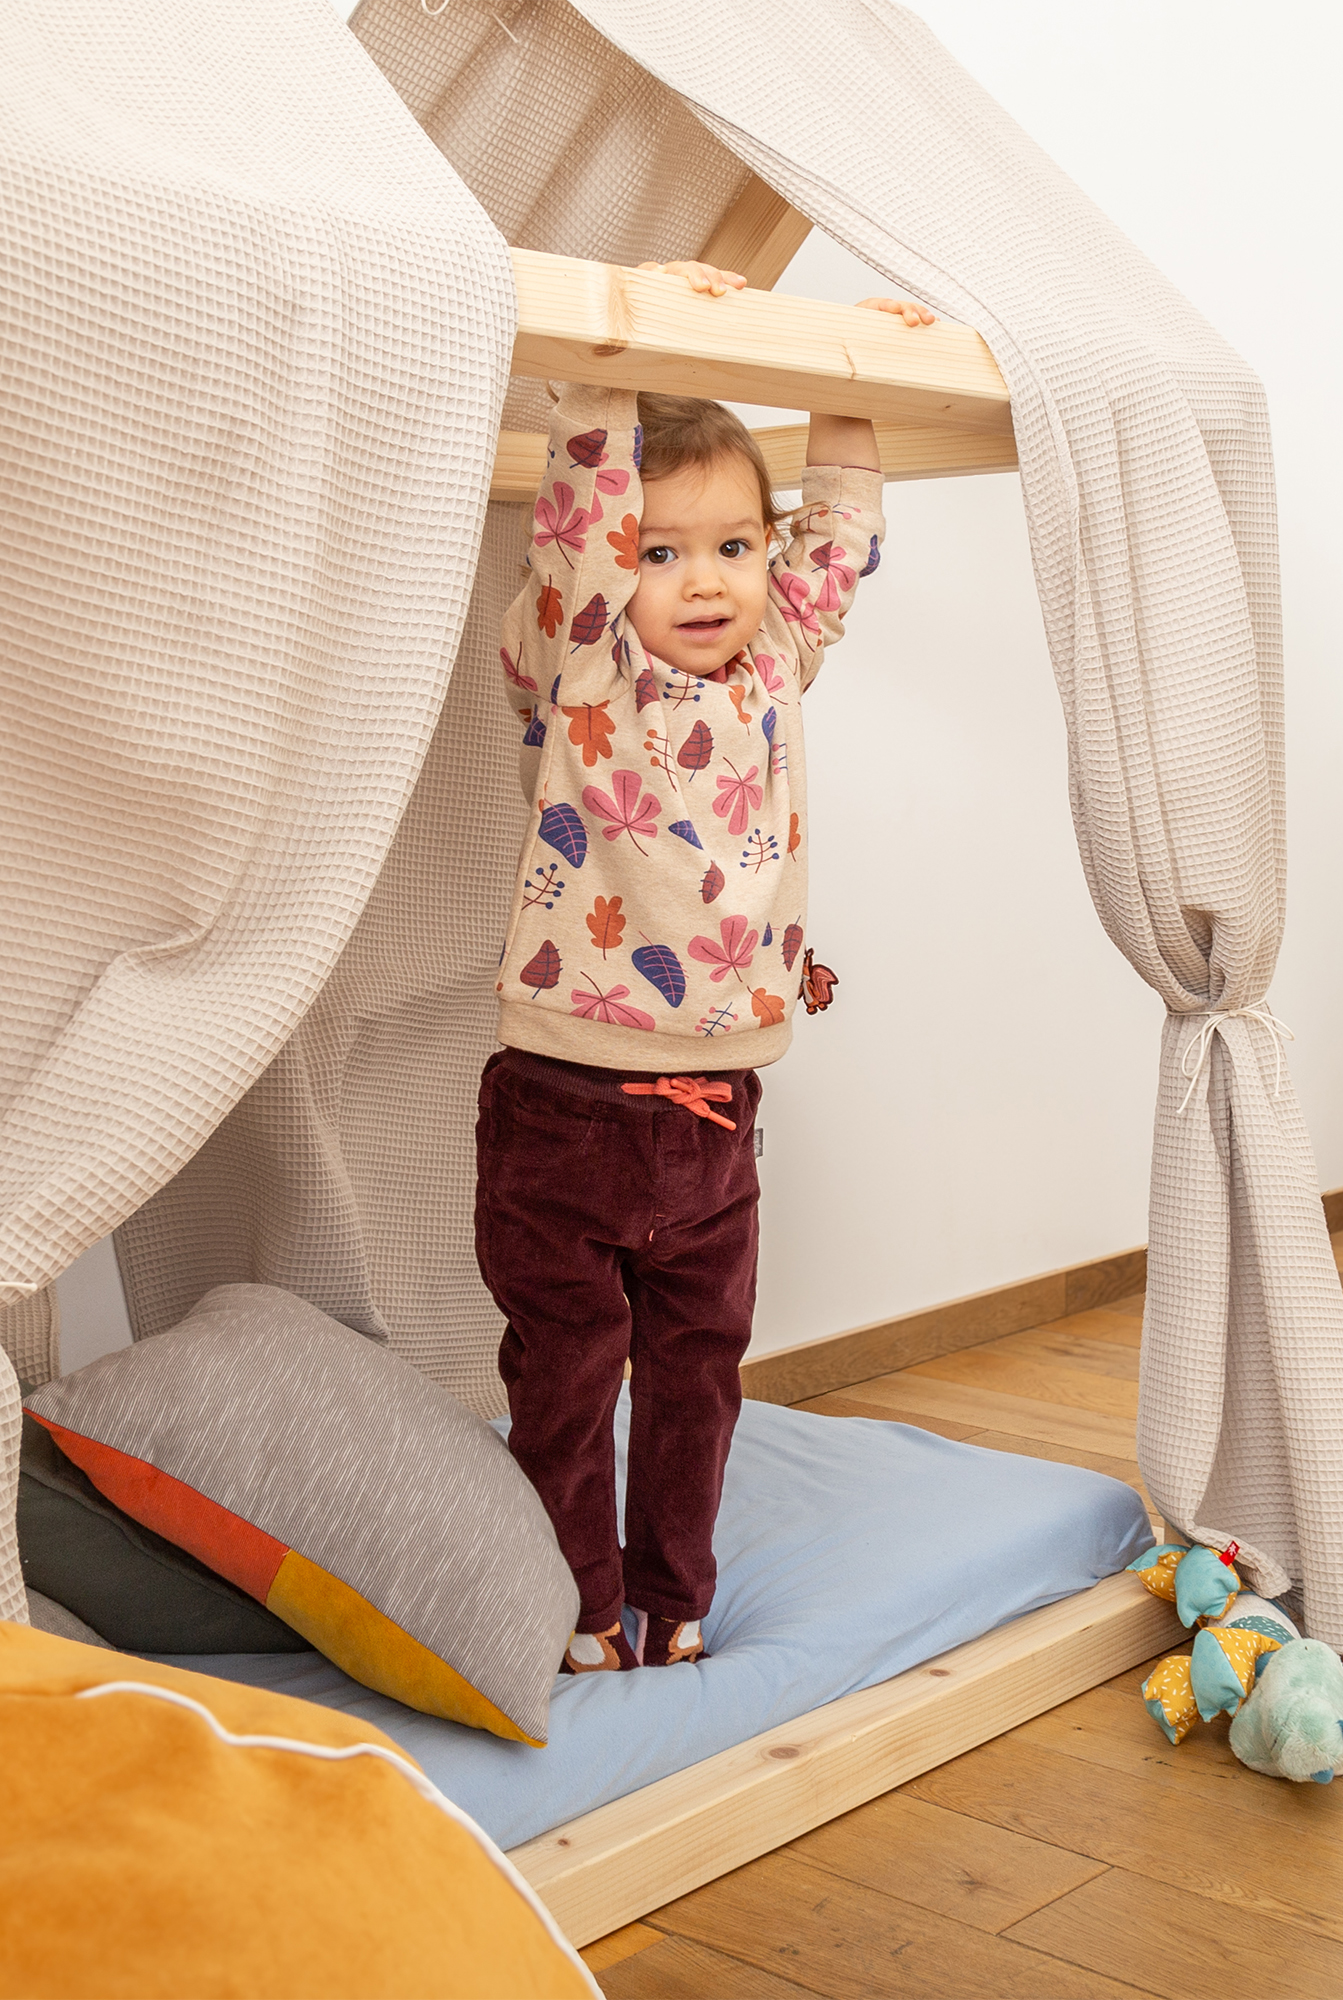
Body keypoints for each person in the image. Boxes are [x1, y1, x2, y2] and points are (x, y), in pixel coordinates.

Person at [476, 261, 933, 1673]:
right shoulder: (593, 667)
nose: (706, 580)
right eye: (665, 551)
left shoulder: (776, 666)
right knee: (563, 1374)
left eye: (733, 547)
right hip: (570, 1096)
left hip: (719, 1105)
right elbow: (584, 514)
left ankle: (674, 1602)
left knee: (696, 1372)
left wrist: (857, 382)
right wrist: (612, 350)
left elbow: (836, 541)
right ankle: (572, 1601)